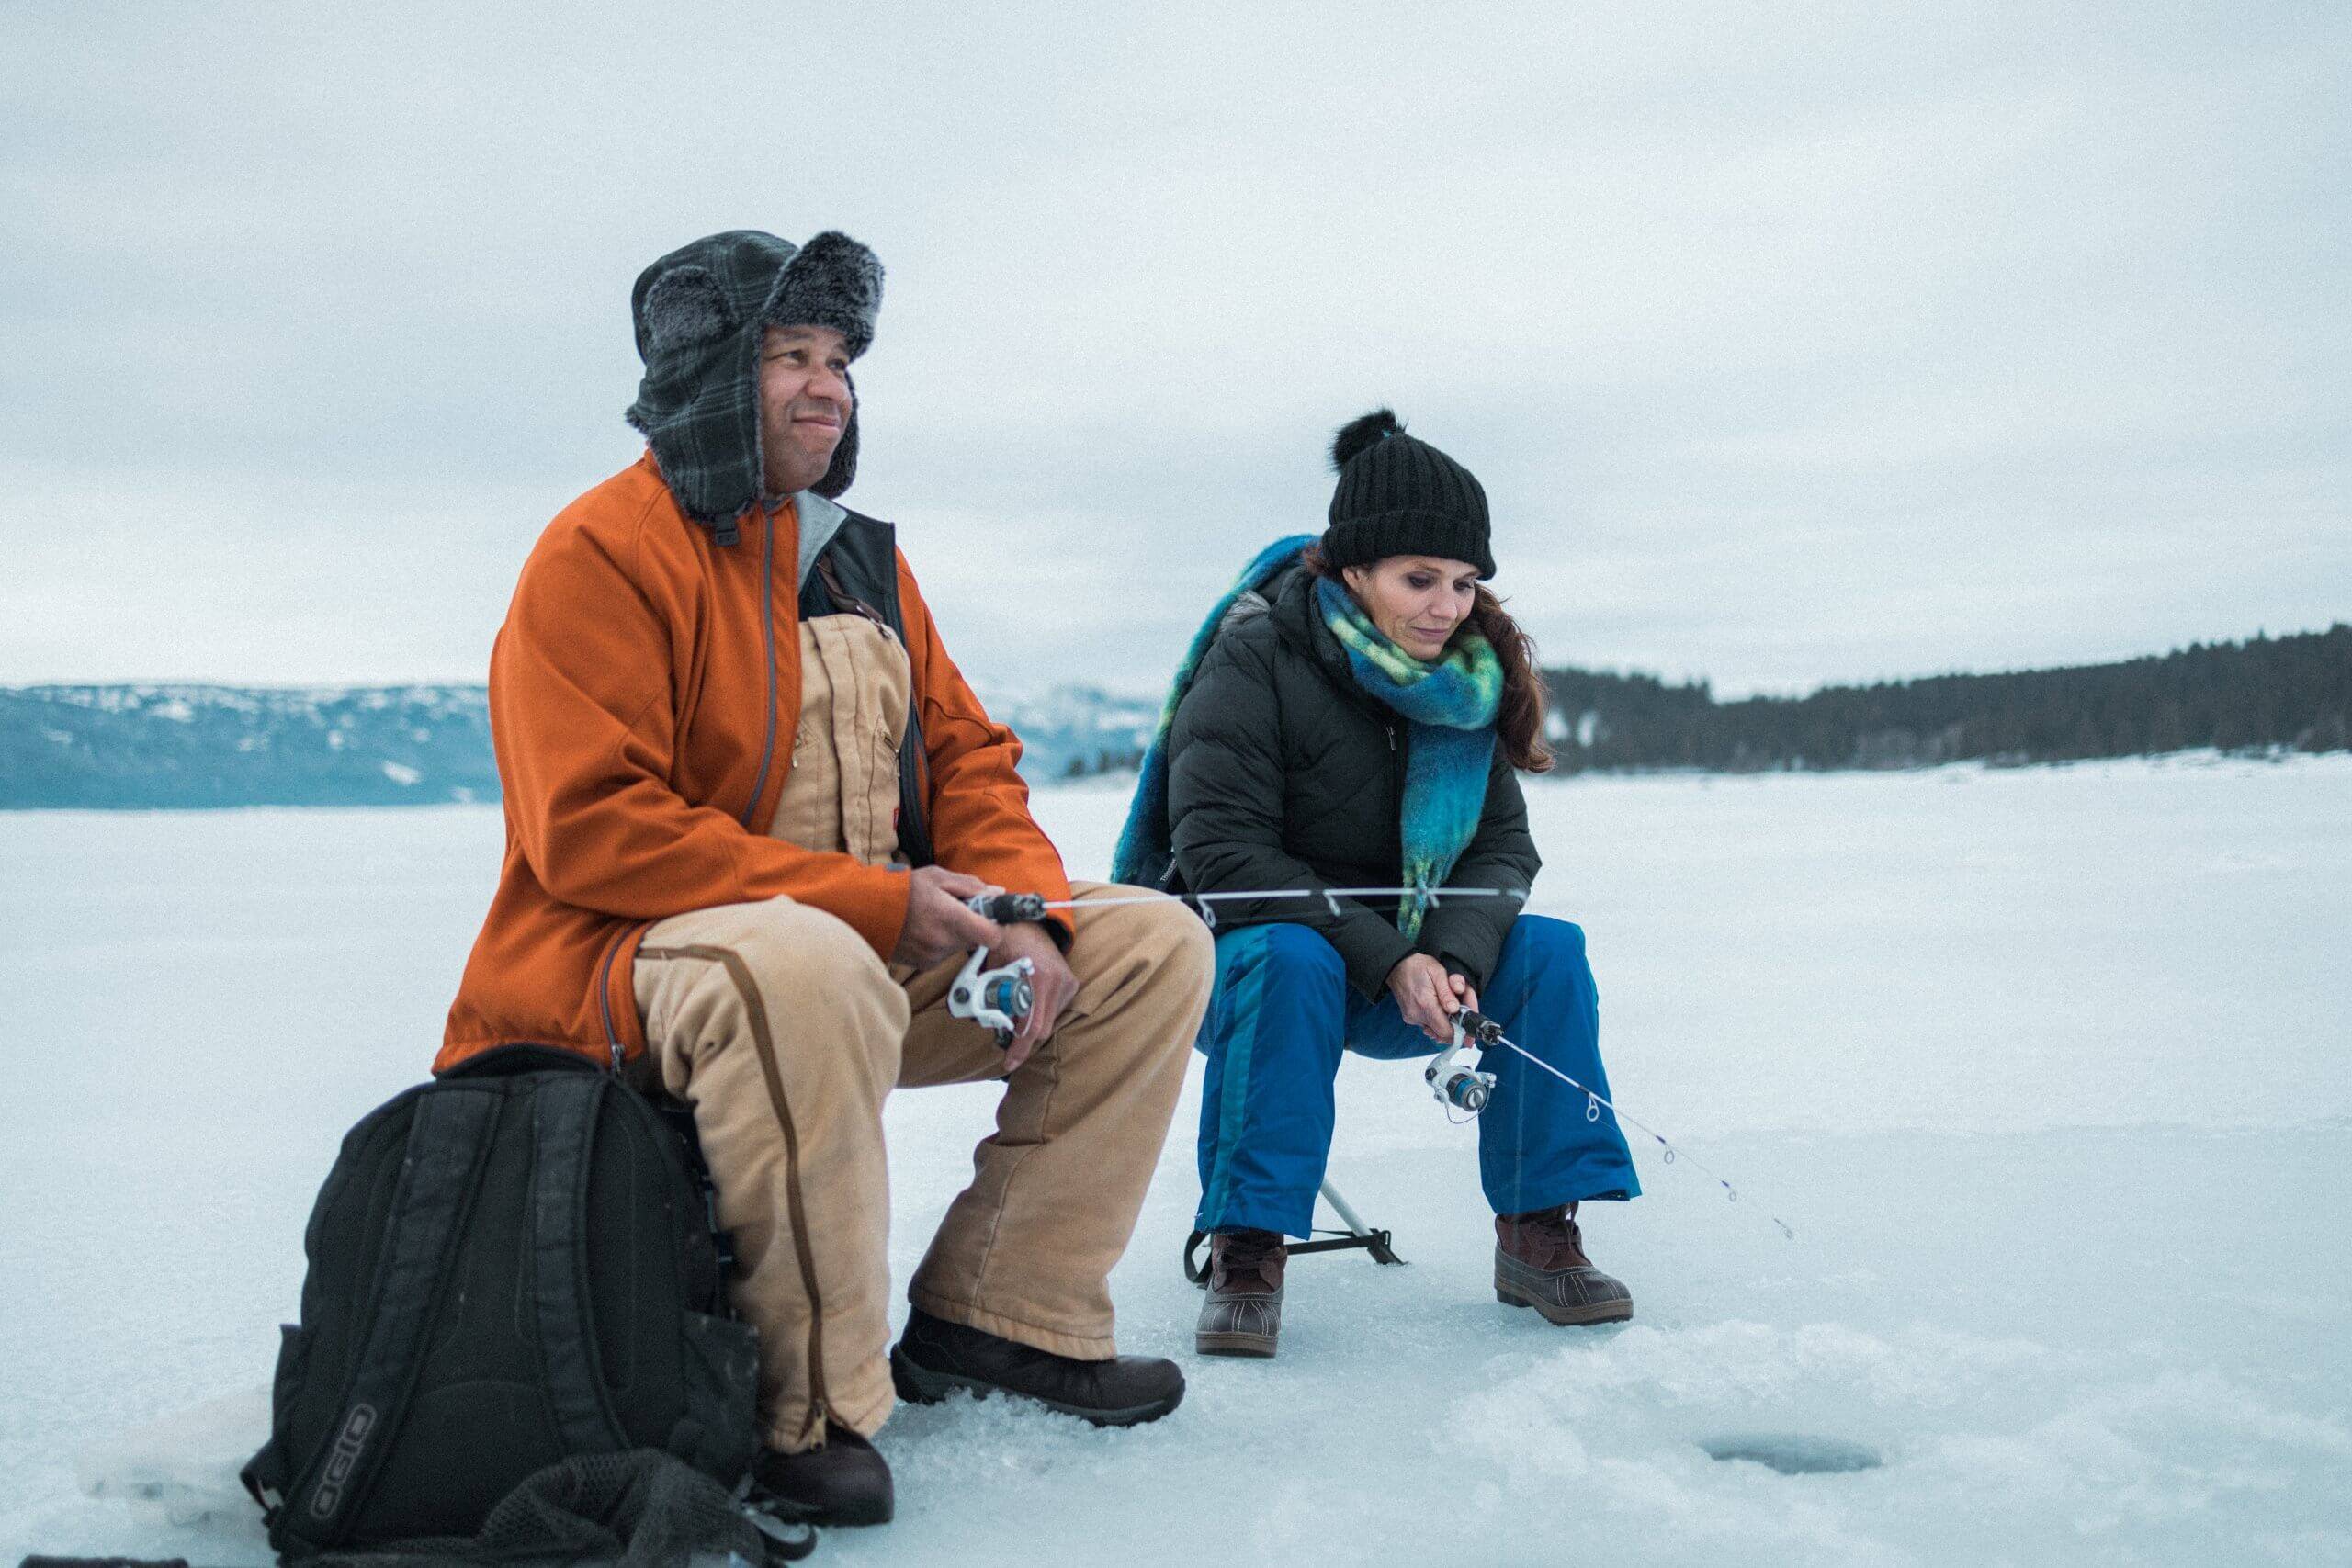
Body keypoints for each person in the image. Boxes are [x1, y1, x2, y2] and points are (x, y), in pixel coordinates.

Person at [437, 229, 1215, 1526]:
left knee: (1146, 944)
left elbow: (966, 751)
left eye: (841, 359)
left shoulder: (858, 555)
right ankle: (812, 1406)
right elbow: (592, 826)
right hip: (616, 969)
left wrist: (1027, 913)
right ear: (705, 374)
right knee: (799, 967)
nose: (828, 386)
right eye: (789, 355)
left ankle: (999, 1315)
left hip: (856, 950)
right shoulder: (601, 551)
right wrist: (871, 905)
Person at [1114, 409, 1641, 1359]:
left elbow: (1500, 855)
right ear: (1351, 569)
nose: (1447, 605)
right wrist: (1390, 957)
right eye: (1419, 579)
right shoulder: (1256, 655)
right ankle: (1247, 1246)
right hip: (1252, 966)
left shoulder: (1465, 688)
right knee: (1287, 955)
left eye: (1464, 581)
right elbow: (1222, 851)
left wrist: (1452, 956)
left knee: (1549, 952)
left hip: (1411, 967)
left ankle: (1537, 1233)